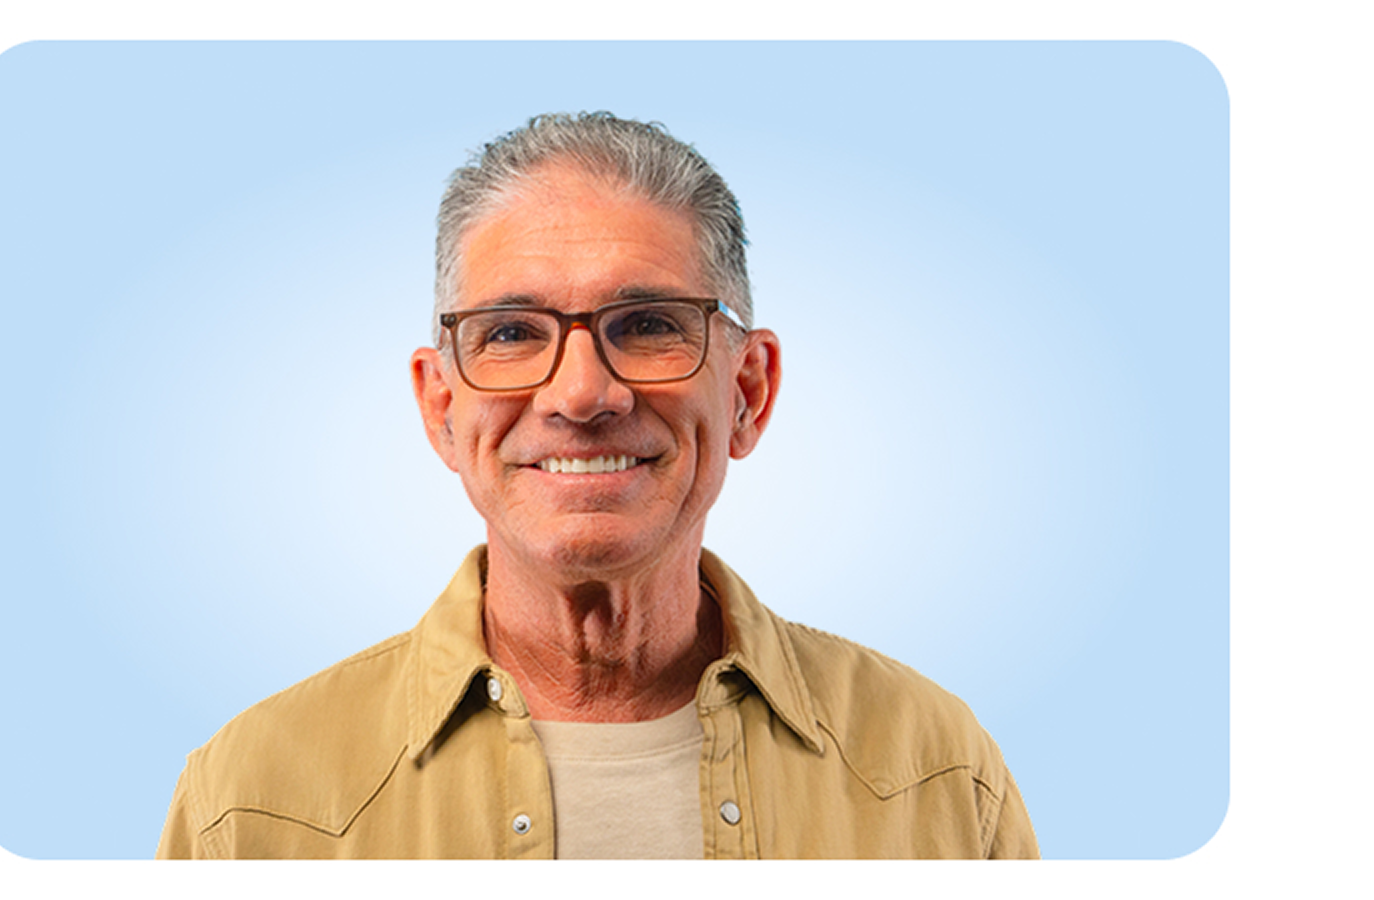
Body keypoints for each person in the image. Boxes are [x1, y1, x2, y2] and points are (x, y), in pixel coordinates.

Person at [155, 112, 1039, 859]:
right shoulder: (250, 800)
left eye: (648, 323)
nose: (581, 393)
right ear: (439, 407)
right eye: (511, 333)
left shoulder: (940, 774)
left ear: (748, 391)